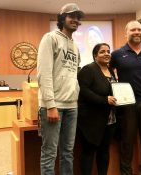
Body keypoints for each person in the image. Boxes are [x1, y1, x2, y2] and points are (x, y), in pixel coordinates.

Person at [37, 3, 84, 175]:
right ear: (62, 18)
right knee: (49, 153)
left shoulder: (75, 46)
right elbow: (44, 73)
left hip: (72, 106)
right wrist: (50, 104)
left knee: (67, 153)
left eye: (78, 18)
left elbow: (75, 74)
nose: (75, 20)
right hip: (54, 105)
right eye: (71, 16)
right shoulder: (50, 38)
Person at [110, 20, 141, 175]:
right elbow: (106, 73)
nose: (136, 32)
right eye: (133, 30)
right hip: (127, 104)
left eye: (139, 29)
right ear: (126, 33)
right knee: (127, 142)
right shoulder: (117, 54)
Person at [77, 43, 117, 175]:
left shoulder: (110, 71)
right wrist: (104, 100)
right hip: (91, 120)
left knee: (104, 152)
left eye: (108, 51)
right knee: (88, 152)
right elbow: (83, 91)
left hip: (109, 119)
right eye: (102, 52)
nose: (106, 54)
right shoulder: (88, 69)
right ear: (95, 56)